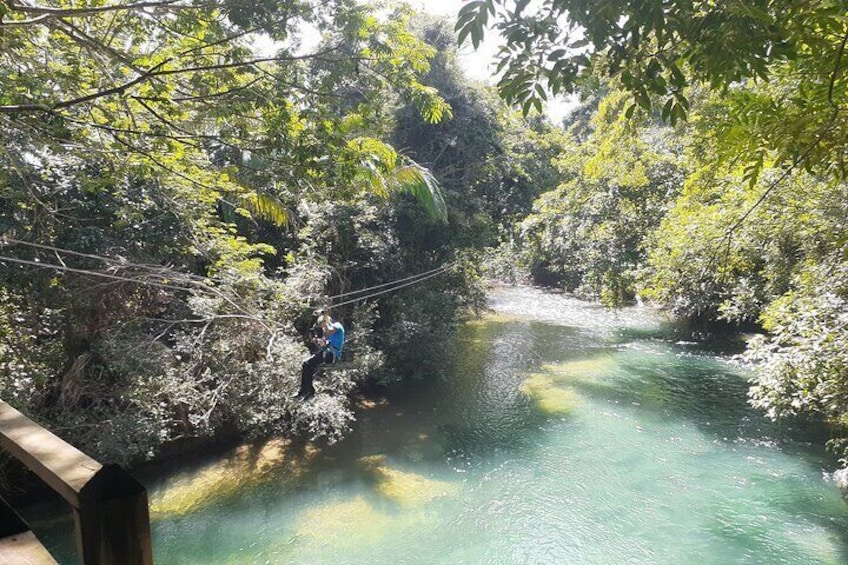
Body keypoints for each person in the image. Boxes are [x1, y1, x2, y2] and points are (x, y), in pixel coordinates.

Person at [295, 311, 345, 400]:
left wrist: (325, 319)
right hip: (327, 353)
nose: (322, 328)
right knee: (307, 366)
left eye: (322, 325)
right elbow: (324, 343)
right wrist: (317, 341)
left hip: (332, 355)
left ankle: (307, 391)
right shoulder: (326, 332)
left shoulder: (337, 326)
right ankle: (307, 391)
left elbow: (330, 331)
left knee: (307, 365)